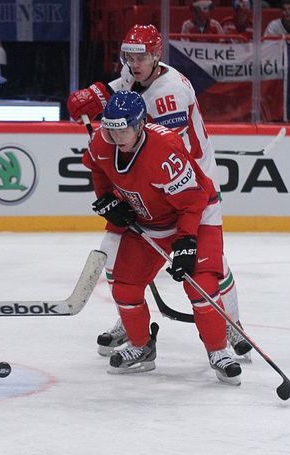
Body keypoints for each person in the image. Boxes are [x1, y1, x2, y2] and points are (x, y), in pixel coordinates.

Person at [67, 24, 252, 359]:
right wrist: (92, 95)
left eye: (140, 57)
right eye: (128, 57)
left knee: (210, 265)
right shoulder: (134, 72)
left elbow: (151, 146)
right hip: (147, 187)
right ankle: (129, 318)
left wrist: (105, 143)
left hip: (189, 185)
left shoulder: (171, 94)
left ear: (156, 56)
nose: (133, 64)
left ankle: (232, 325)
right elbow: (118, 93)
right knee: (113, 254)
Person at [83, 90, 241, 385]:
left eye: (123, 129)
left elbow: (192, 202)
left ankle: (218, 351)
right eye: (110, 128)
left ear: (140, 123)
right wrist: (106, 199)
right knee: (125, 288)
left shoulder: (164, 148)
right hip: (149, 220)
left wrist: (186, 243)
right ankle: (142, 346)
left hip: (196, 214)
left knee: (202, 285)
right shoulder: (101, 140)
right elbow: (98, 169)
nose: (116, 136)